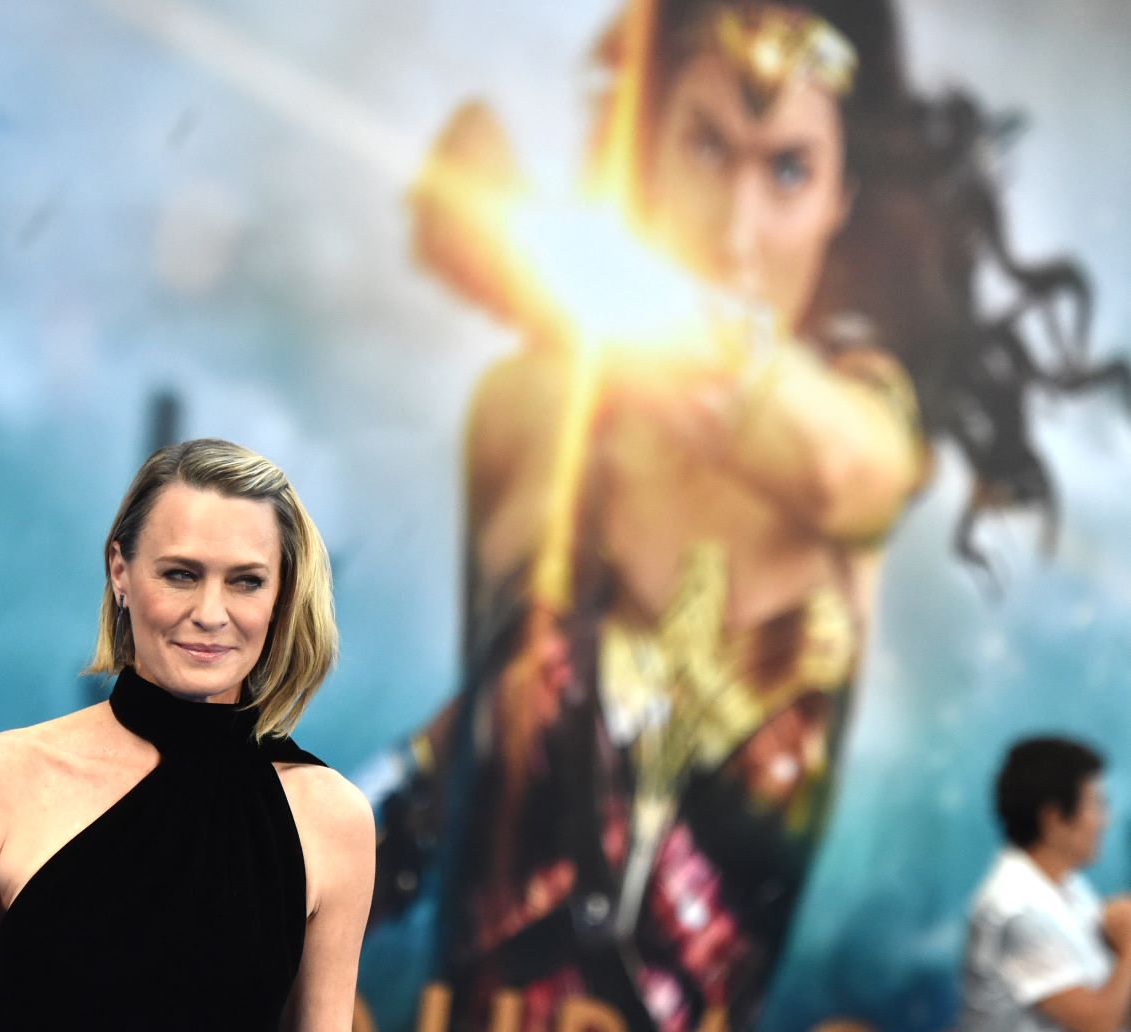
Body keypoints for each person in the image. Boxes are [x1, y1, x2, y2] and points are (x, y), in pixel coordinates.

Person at [364, 0, 1129, 1029]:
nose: (736, 234)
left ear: (842, 198)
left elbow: (836, 471)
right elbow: (514, 724)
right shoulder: (529, 418)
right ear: (647, 150)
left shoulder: (861, 432)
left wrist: (530, 251)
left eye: (787, 171)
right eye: (706, 147)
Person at [0, 438, 375, 1031]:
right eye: (181, 574)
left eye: (246, 582)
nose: (210, 613)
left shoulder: (332, 820)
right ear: (119, 571)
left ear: (282, 594)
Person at [960, 737, 1131, 1032]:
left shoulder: (1068, 885)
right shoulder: (1016, 908)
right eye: (1095, 805)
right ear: (1053, 818)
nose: (1104, 821)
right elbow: (1098, 1024)